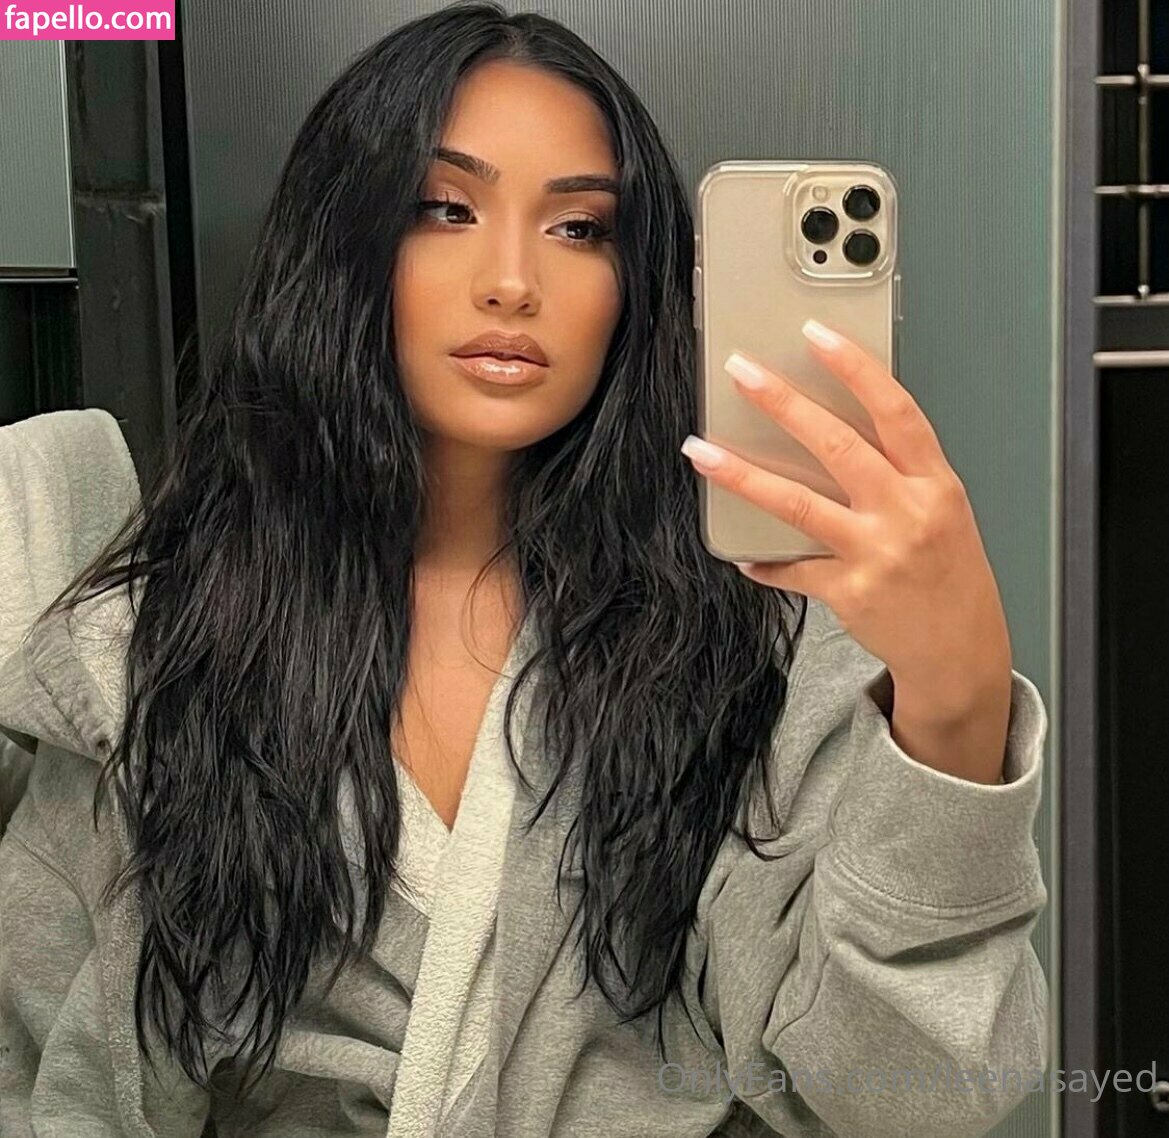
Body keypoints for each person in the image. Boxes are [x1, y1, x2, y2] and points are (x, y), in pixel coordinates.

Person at [0, 2, 1050, 1135]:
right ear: (340, 242)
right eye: (444, 208)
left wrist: (954, 700)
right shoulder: (155, 646)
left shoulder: (757, 631)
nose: (511, 281)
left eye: (579, 228)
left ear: (635, 285)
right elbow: (54, 1077)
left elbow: (914, 1098)